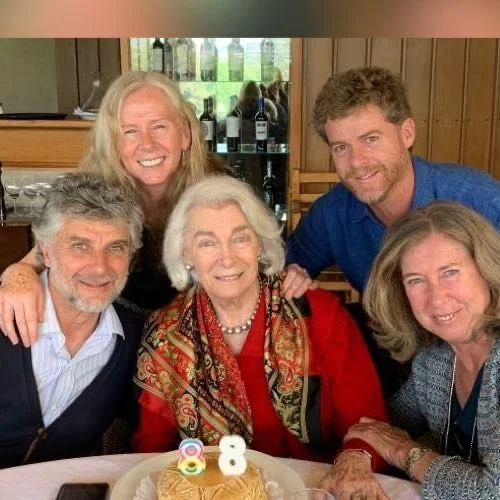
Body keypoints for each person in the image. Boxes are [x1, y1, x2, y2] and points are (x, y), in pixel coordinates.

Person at [0, 71, 311, 348]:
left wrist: (292, 274)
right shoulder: (95, 195)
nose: (147, 144)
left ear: (186, 134)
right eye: (130, 131)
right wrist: (18, 276)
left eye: (159, 126)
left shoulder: (218, 191)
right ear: (113, 143)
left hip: (198, 348)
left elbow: (255, 262)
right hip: (113, 346)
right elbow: (41, 256)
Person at [132, 175, 390, 499]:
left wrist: (354, 458)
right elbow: (153, 451)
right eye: (207, 243)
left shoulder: (318, 315)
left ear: (260, 244)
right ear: (185, 254)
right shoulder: (165, 333)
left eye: (240, 238)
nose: (227, 258)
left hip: (311, 490)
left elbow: (368, 422)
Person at [286, 66, 500, 295]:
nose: (356, 162)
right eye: (341, 147)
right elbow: (284, 267)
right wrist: (292, 274)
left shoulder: (482, 200)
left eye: (371, 139)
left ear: (407, 133)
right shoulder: (332, 213)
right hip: (379, 320)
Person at [344, 201, 500, 499]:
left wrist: (405, 452)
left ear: (487, 269)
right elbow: (386, 421)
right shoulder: (435, 358)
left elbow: (493, 491)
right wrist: (356, 452)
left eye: (450, 272)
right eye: (415, 280)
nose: (436, 298)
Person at [0, 173, 145, 468]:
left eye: (116, 247)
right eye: (80, 246)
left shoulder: (135, 341)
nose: (100, 267)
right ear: (45, 252)